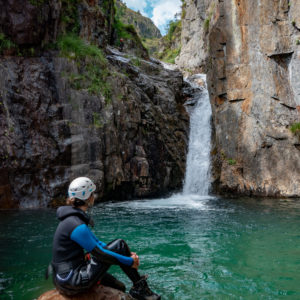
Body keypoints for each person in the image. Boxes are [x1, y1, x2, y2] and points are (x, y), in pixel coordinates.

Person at [51, 177, 160, 300]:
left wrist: (126, 255)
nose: (94, 196)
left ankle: (139, 288)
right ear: (88, 197)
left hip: (65, 278)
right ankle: (141, 289)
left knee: (119, 286)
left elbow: (98, 244)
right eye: (92, 193)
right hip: (72, 280)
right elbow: (100, 253)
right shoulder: (76, 225)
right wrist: (130, 261)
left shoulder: (71, 220)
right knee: (119, 245)